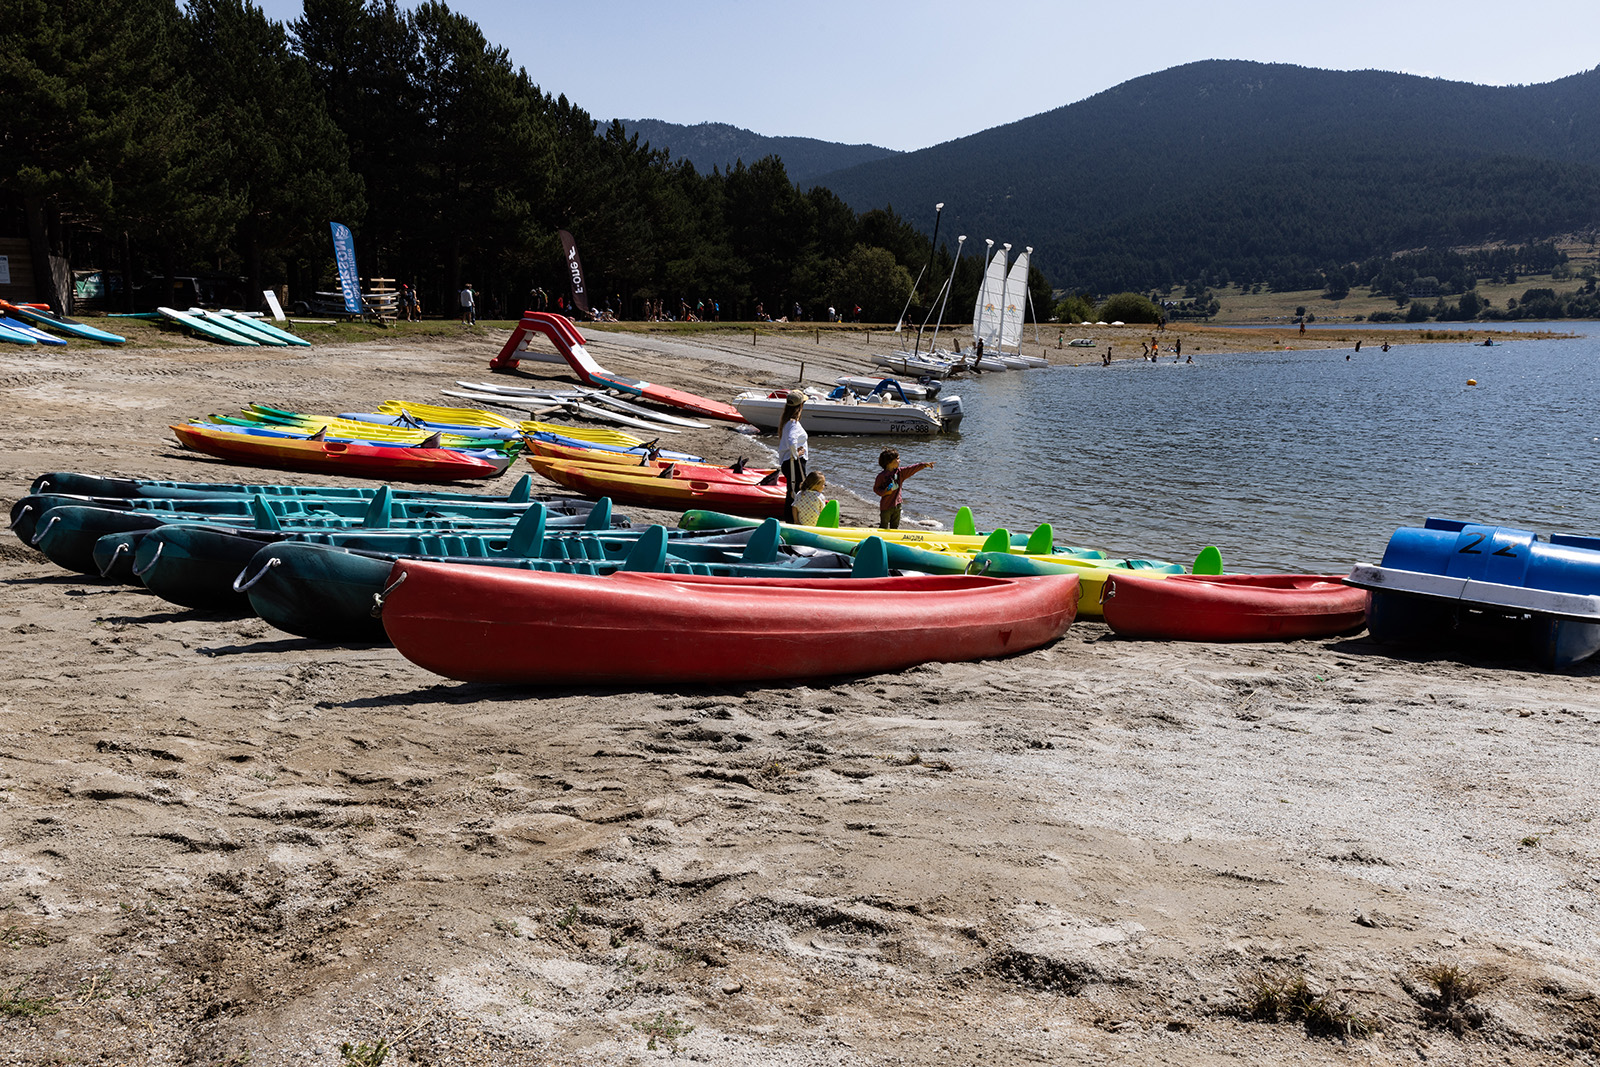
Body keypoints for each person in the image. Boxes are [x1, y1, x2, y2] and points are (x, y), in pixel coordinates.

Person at [873, 448, 933, 530]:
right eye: (897, 459)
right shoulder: (881, 476)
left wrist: (924, 465)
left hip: (898, 505)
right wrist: (885, 492)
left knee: (895, 527)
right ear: (889, 461)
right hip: (886, 506)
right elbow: (876, 489)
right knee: (883, 526)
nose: (899, 461)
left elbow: (911, 468)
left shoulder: (900, 473)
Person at [776, 392, 808, 521]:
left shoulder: (787, 421)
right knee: (798, 492)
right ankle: (794, 519)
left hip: (789, 462)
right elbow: (791, 440)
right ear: (800, 405)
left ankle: (790, 518)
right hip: (794, 462)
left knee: (792, 491)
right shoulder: (793, 423)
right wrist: (796, 454)